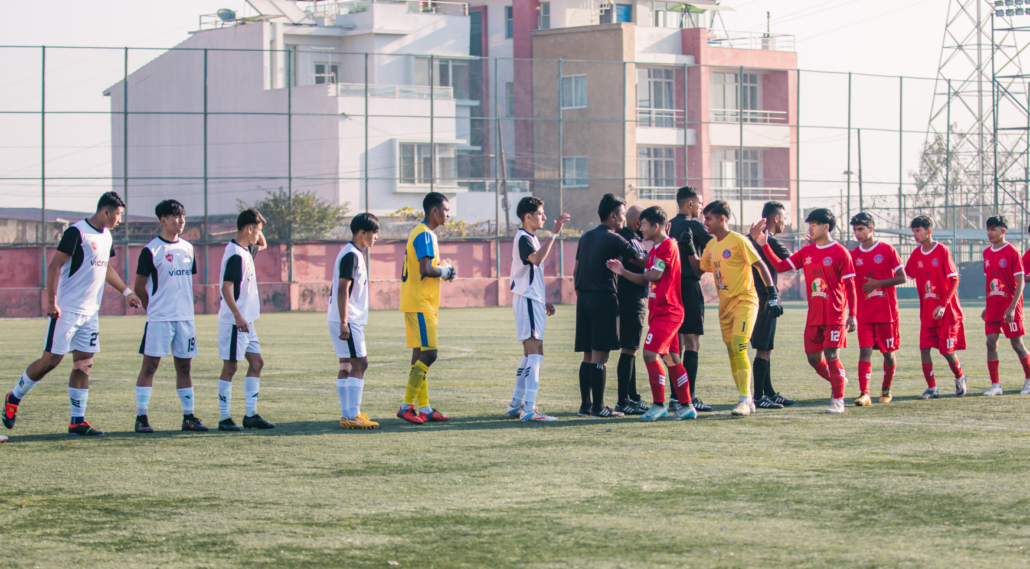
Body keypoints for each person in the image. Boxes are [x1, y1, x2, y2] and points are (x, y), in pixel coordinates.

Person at [3, 192, 142, 437]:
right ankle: (13, 398)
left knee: (83, 365)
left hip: (91, 314)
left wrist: (126, 291)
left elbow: (105, 267)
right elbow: (54, 265)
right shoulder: (75, 233)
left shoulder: (107, 236)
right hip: (66, 311)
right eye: (118, 215)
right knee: (51, 361)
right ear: (105, 212)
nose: (120, 220)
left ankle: (77, 421)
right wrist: (51, 301)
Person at [751, 208, 856, 414]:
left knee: (832, 355)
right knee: (814, 359)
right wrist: (764, 246)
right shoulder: (807, 252)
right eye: (809, 224)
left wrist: (852, 314)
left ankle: (838, 400)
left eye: (813, 224)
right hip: (814, 316)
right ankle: (839, 380)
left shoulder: (840, 252)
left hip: (834, 314)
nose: (810, 228)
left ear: (826, 227)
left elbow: (851, 285)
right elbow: (781, 266)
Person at [683, 200, 781, 417]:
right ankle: (746, 398)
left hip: (745, 301)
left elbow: (760, 265)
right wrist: (689, 249)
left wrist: (772, 295)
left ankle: (746, 400)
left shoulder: (738, 240)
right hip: (724, 306)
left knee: (739, 347)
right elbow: (700, 269)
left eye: (708, 218)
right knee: (732, 352)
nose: (704, 222)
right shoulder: (712, 245)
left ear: (722, 219)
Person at [608, 206, 696, 421]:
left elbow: (654, 276)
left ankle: (659, 404)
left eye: (644, 224)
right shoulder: (656, 249)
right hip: (659, 311)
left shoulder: (667, 246)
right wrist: (623, 272)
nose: (640, 227)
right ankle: (687, 406)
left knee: (649, 353)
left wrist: (640, 272)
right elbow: (647, 278)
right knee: (672, 359)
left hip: (669, 312)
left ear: (656, 226)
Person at [133, 199, 205, 433]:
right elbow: (139, 287)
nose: (181, 220)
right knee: (150, 366)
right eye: (175, 216)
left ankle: (189, 417)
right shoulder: (151, 250)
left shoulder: (188, 248)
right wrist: (151, 309)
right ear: (163, 220)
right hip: (160, 319)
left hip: (185, 318)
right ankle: (141, 418)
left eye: (183, 215)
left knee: (184, 368)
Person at [573, 193, 645, 418]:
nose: (623, 220)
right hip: (604, 299)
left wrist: (583, 295)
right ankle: (599, 407)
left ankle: (585, 406)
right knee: (601, 357)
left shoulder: (585, 237)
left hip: (583, 299)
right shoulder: (614, 238)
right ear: (613, 216)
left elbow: (575, 272)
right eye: (622, 215)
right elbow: (641, 262)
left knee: (587, 355)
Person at [505, 197, 570, 422]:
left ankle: (515, 404)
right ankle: (529, 410)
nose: (543, 216)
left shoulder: (529, 237)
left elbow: (531, 273)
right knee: (535, 353)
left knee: (530, 353)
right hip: (526, 300)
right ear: (528, 217)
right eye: (540, 213)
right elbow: (537, 259)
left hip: (532, 300)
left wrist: (542, 300)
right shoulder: (524, 237)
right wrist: (554, 233)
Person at [397, 192, 456, 425]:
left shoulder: (423, 233)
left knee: (420, 354)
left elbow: (426, 269)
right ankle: (406, 406)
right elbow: (424, 269)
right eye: (445, 210)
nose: (448, 214)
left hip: (418, 302)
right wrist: (445, 272)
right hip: (421, 303)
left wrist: (442, 271)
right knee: (430, 354)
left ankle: (424, 408)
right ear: (434, 211)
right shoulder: (425, 234)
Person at [216, 208, 274, 431]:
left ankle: (251, 415)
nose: (260, 235)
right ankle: (224, 418)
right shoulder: (235, 255)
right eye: (257, 230)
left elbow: (263, 244)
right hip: (235, 322)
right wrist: (238, 316)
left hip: (247, 321)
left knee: (257, 363)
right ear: (249, 229)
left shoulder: (246, 249)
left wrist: (257, 222)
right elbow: (226, 288)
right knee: (230, 367)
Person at [904, 215, 967, 399]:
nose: (915, 234)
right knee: (924, 348)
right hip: (927, 313)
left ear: (928, 231)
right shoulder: (916, 254)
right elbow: (904, 274)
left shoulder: (942, 251)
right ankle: (932, 388)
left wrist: (942, 305)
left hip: (946, 313)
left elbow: (954, 280)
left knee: (946, 351)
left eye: (918, 231)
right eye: (913, 231)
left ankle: (960, 376)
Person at [330, 213, 381, 429]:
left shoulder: (352, 253)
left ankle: (347, 415)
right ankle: (353, 415)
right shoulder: (351, 254)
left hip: (342, 317)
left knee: (346, 364)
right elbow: (343, 288)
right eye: (374, 233)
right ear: (362, 233)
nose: (376, 237)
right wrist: (344, 321)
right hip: (348, 318)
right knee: (361, 363)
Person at [849, 212, 906, 405]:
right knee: (864, 351)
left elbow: (902, 277)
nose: (857, 233)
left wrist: (877, 283)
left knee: (888, 353)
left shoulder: (887, 249)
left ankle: (886, 387)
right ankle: (864, 393)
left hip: (886, 312)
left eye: (860, 229)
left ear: (871, 229)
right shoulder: (853, 255)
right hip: (865, 313)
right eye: (855, 230)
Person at [668, 186, 714, 412]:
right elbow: (719, 245)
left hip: (669, 289)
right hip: (688, 286)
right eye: (700, 204)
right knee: (692, 343)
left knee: (675, 344)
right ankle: (688, 397)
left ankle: (674, 397)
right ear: (689, 204)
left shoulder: (668, 225)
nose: (701, 208)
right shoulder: (693, 226)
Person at [747, 201, 795, 409]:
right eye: (784, 218)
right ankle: (759, 397)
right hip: (765, 297)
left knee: (765, 347)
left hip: (755, 296)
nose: (786, 223)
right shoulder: (769, 241)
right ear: (776, 218)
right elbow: (793, 263)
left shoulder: (750, 239)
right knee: (763, 349)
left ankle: (769, 392)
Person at [980, 215, 1030, 396]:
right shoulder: (986, 253)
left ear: (1003, 230)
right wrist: (987, 305)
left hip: (1010, 308)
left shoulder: (1012, 252)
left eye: (993, 229)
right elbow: (991, 282)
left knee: (1017, 345)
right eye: (988, 229)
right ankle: (995, 385)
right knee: (990, 343)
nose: (990, 232)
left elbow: (1021, 282)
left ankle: (1029, 379)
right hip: (993, 307)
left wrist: (1012, 307)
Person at [613, 205, 649, 415]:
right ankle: (622, 400)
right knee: (629, 349)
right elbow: (644, 264)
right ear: (638, 223)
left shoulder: (626, 237)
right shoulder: (630, 240)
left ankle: (632, 397)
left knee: (631, 349)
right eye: (644, 223)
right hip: (631, 299)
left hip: (627, 298)